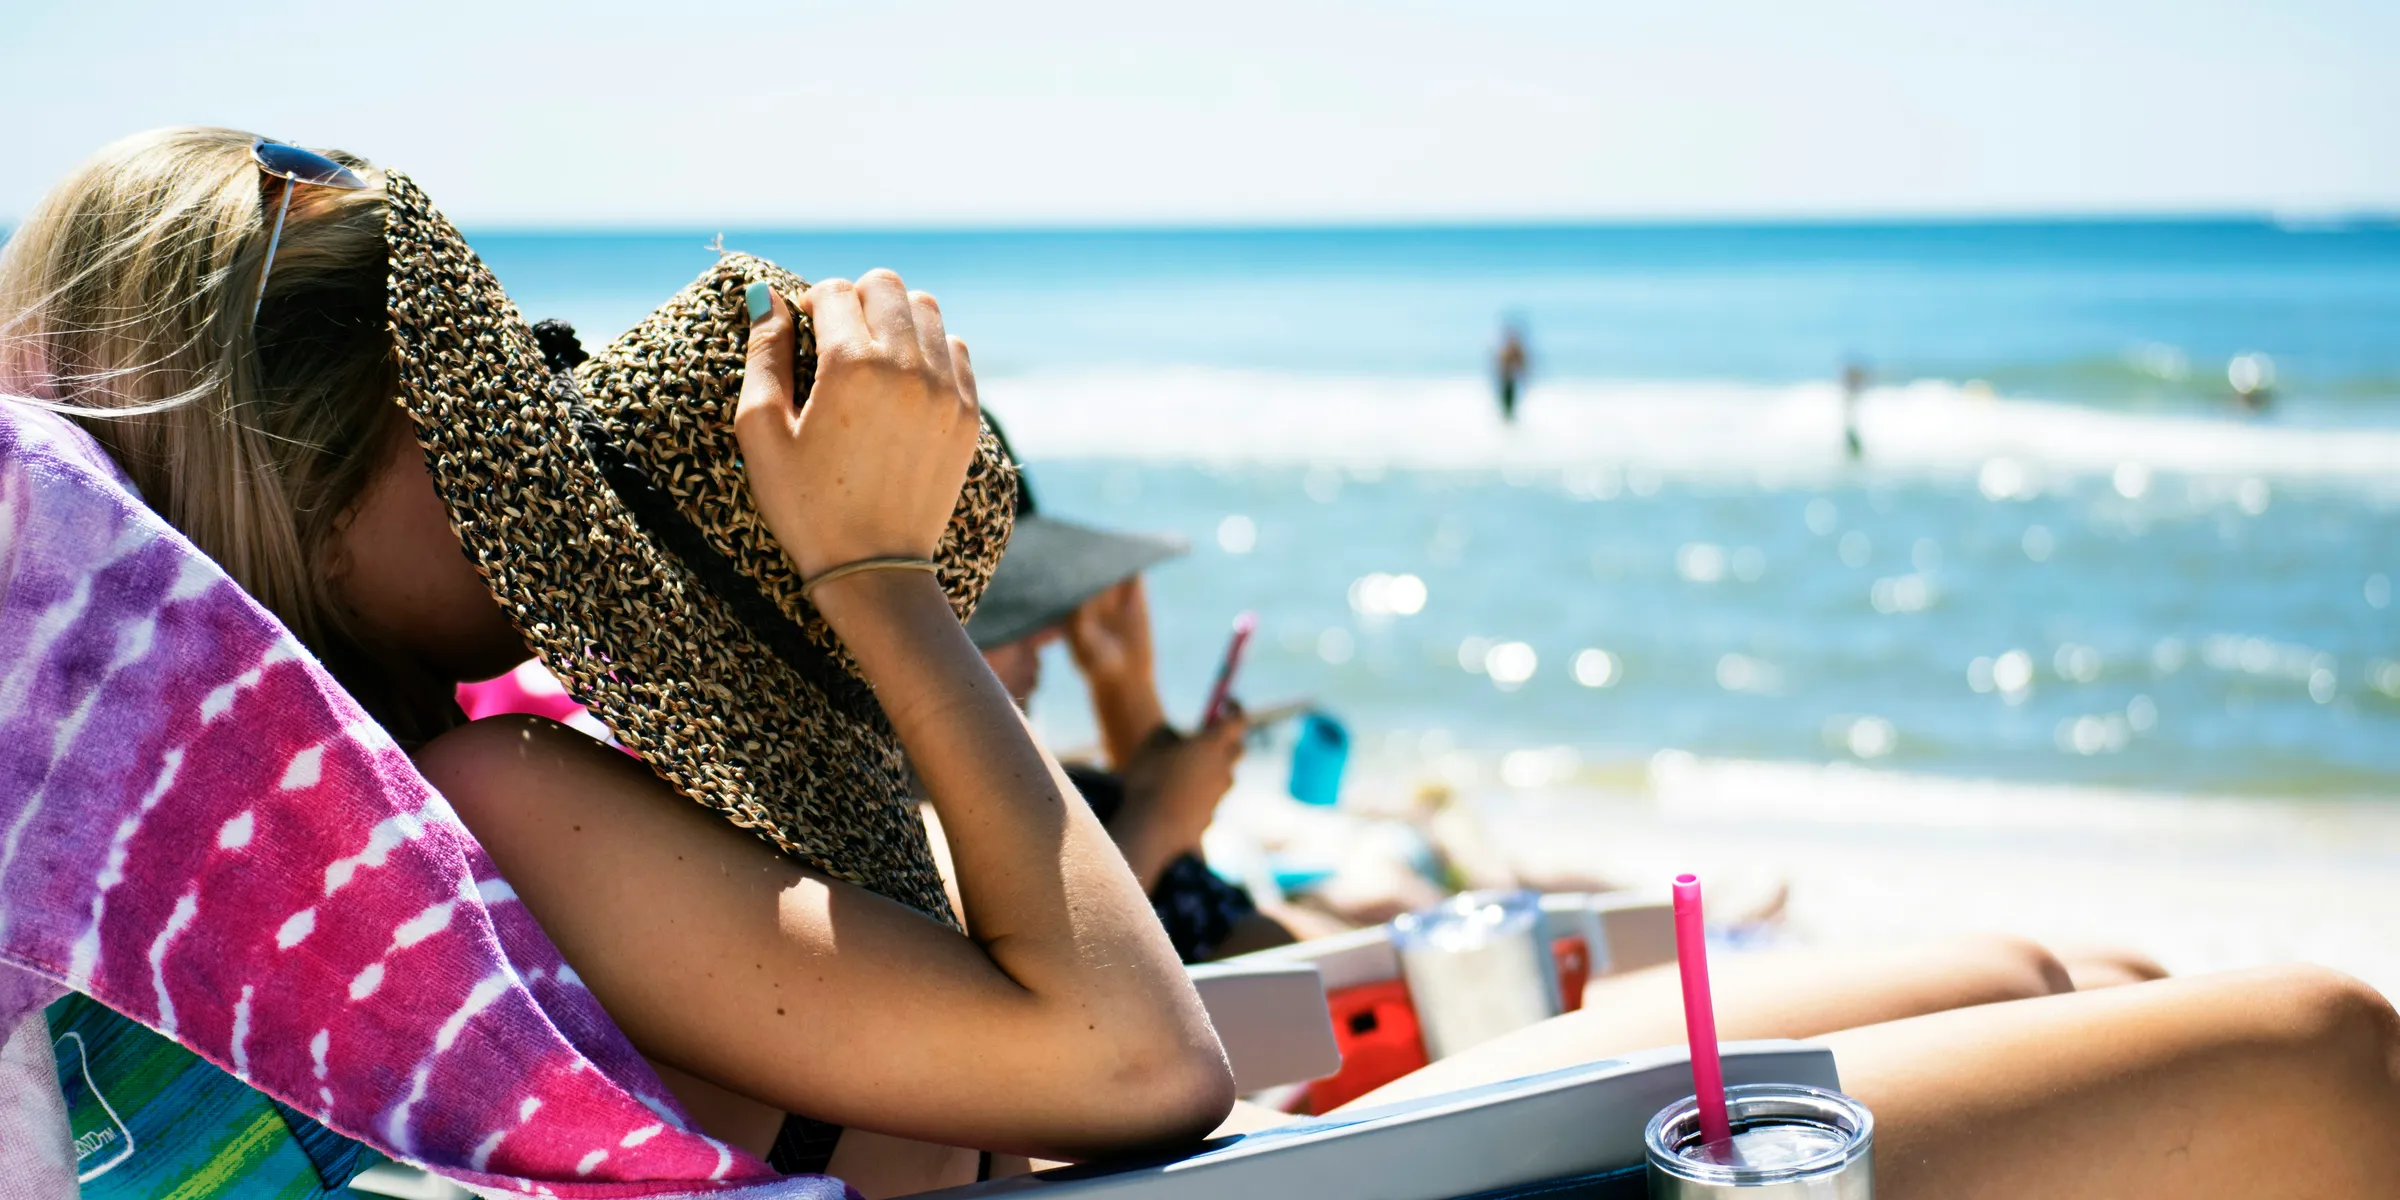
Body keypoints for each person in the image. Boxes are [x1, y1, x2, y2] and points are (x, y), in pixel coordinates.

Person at [8, 128, 2397, 1200]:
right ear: (292, 489)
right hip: (1133, 1153)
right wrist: (875, 583)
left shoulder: (345, 855)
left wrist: (1099, 774)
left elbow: (951, 1023)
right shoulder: (485, 799)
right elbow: (1130, 1066)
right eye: (471, 414)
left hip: (1064, 1140)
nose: (523, 417)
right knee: (2312, 1054)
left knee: (2033, 953)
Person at [962, 431, 1305, 961]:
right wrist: (1163, 815)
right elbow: (1056, 961)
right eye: (1008, 609)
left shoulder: (998, 780)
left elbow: (1175, 886)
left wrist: (1124, 687)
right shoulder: (925, 822)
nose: (1051, 633)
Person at [1494, 319, 1528, 423]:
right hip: (1505, 378)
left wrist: (1523, 374)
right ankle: (1507, 417)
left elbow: (1521, 362)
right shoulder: (1505, 349)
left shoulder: (1515, 348)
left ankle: (1508, 417)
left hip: (1511, 378)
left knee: (1510, 398)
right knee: (1506, 398)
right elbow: (1499, 363)